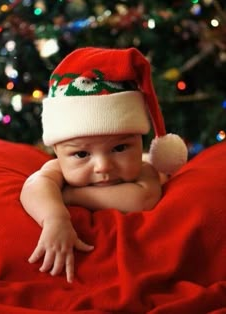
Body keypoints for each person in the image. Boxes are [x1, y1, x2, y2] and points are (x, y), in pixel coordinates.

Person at [20, 47, 188, 283]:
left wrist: (69, 196)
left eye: (120, 148)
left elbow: (142, 199)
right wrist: (55, 217)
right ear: (56, 152)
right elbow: (32, 186)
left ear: (140, 142)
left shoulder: (145, 169)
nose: (102, 166)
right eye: (81, 154)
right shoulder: (57, 169)